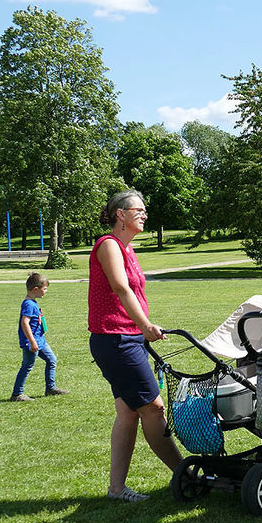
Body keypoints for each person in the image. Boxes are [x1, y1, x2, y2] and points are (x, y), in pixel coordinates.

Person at [89, 189, 182, 502]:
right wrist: (144, 326)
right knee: (153, 409)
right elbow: (120, 287)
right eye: (138, 210)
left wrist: (141, 329)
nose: (144, 214)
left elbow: (134, 294)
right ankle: (185, 474)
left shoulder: (128, 250)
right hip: (114, 339)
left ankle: (116, 489)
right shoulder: (109, 245)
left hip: (128, 338)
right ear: (121, 214)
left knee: (128, 413)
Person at [11, 273, 69, 402]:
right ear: (35, 289)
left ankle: (50, 388)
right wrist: (32, 341)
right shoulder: (28, 304)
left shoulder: (33, 302)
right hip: (31, 342)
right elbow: (24, 323)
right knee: (27, 366)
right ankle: (17, 394)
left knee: (51, 360)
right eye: (45, 289)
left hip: (40, 340)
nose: (46, 291)